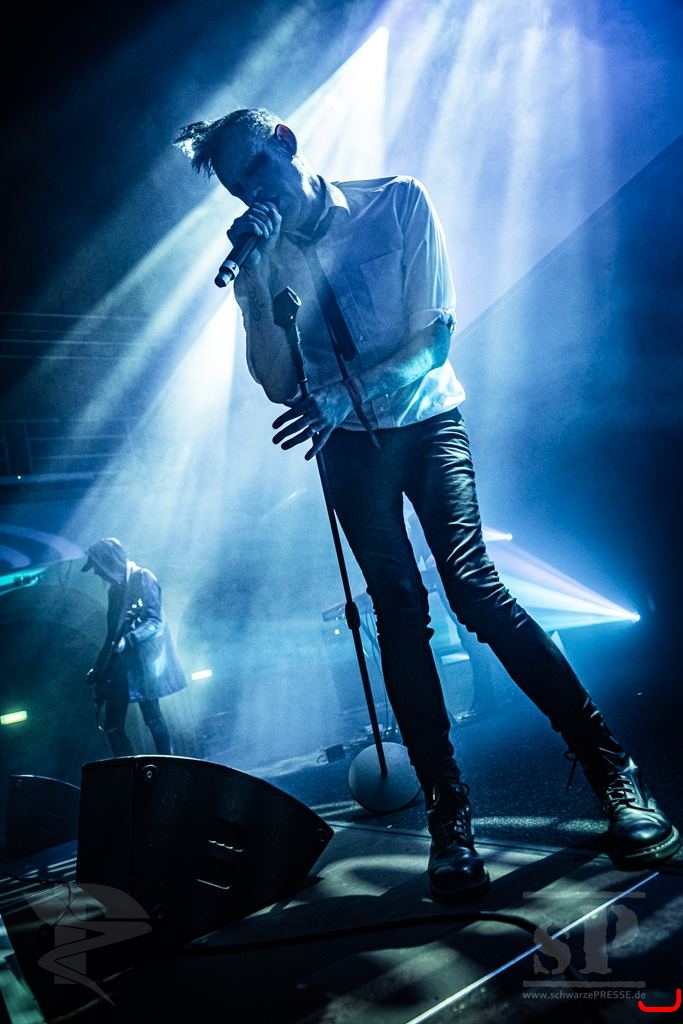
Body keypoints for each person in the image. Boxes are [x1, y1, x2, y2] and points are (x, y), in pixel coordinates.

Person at [173, 108, 680, 902]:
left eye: (258, 169)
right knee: (398, 612)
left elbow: (433, 340)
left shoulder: (397, 202)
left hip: (424, 418)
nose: (253, 193)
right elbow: (275, 383)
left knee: (473, 589)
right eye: (239, 187)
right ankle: (449, 819)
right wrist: (253, 286)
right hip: (347, 446)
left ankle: (613, 773)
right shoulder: (265, 253)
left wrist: (340, 397)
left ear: (287, 143)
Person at [82, 537, 187, 758]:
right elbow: (112, 633)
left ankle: (168, 766)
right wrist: (99, 667)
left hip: (144, 664)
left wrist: (128, 640)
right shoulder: (114, 591)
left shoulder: (143, 578)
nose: (96, 573)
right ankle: (127, 770)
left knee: (152, 716)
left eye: (97, 567)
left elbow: (154, 621)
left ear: (108, 561)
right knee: (112, 724)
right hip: (122, 666)